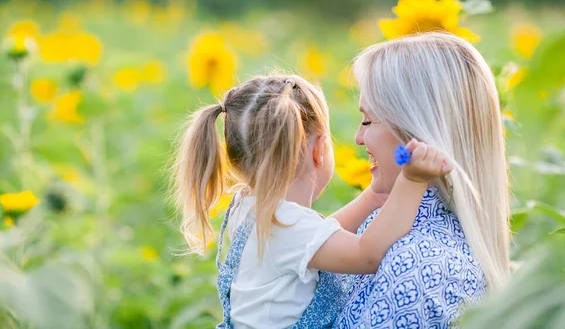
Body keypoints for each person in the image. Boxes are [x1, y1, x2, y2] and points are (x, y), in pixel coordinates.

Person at [172, 74, 452, 328]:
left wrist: (373, 197)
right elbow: (367, 255)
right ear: (318, 150)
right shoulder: (287, 226)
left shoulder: (250, 208)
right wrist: (412, 181)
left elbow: (319, 238)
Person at [336, 32, 511, 328]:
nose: (358, 137)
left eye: (368, 120)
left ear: (416, 131)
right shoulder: (395, 231)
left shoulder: (415, 265)